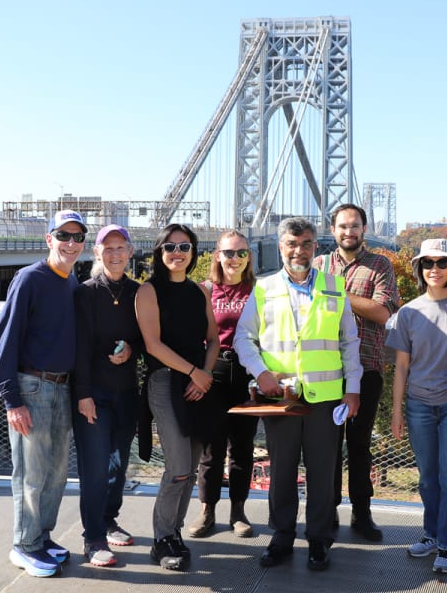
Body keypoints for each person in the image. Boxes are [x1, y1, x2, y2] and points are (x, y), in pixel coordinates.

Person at [234, 217, 362, 572]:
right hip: (281, 398)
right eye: (292, 244)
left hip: (325, 397)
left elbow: (349, 342)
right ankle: (282, 536)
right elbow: (243, 338)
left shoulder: (335, 287)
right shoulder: (262, 289)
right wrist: (260, 373)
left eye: (306, 244)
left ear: (315, 248)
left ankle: (319, 540)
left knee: (323, 473)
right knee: (283, 471)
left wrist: (353, 390)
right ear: (280, 247)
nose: (299, 251)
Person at [0, 209, 87, 578]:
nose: (71, 243)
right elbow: (6, 339)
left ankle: (42, 537)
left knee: (57, 472)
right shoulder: (29, 278)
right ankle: (24, 545)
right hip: (31, 386)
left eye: (78, 237)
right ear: (49, 239)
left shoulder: (70, 281)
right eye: (63, 235)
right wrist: (12, 400)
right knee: (31, 473)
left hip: (63, 387)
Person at [386, 239, 447, 575]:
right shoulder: (408, 312)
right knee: (427, 479)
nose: (434, 269)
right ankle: (431, 534)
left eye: (442, 263)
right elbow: (402, 367)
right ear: (419, 269)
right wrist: (397, 411)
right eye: (428, 263)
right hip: (419, 405)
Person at [134, 223, 219, 571]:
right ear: (159, 252)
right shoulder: (148, 292)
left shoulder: (200, 292)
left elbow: (213, 339)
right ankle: (161, 539)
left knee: (195, 459)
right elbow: (153, 345)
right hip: (166, 382)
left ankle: (175, 534)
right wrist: (192, 372)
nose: (177, 253)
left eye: (184, 247)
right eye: (170, 247)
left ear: (193, 252)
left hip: (198, 384)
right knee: (179, 468)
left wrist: (205, 375)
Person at [313, 203, 400, 541]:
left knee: (360, 443)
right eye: (342, 226)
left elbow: (381, 313)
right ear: (333, 230)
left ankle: (362, 514)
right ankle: (328, 510)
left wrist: (333, 295)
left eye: (355, 226)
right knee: (328, 444)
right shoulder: (319, 264)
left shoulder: (381, 265)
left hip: (366, 367)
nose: (349, 232)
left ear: (364, 229)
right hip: (324, 367)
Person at [72, 224, 143, 567]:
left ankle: (109, 519)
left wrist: (132, 349)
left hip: (126, 391)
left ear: (131, 252)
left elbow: (148, 338)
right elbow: (80, 347)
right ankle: (94, 537)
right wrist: (83, 394)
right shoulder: (86, 293)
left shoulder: (139, 292)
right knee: (95, 467)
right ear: (97, 253)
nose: (115, 254)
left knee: (118, 464)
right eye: (108, 248)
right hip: (94, 393)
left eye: (121, 247)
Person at [188, 230, 259, 539]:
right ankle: (207, 510)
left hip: (247, 374)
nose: (235, 259)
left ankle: (238, 511)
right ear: (217, 255)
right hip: (213, 372)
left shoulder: (259, 290)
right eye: (229, 253)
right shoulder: (204, 290)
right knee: (211, 448)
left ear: (249, 257)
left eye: (242, 253)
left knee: (242, 447)